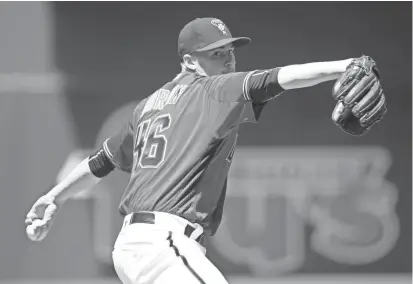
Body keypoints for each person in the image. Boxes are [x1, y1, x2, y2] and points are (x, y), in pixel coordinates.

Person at [25, 18, 385, 284]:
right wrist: (346, 66)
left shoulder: (149, 105)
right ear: (189, 61)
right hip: (162, 245)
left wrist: (55, 197)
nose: (227, 60)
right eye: (216, 54)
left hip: (138, 247)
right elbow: (282, 77)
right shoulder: (214, 90)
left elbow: (99, 162)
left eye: (229, 52)